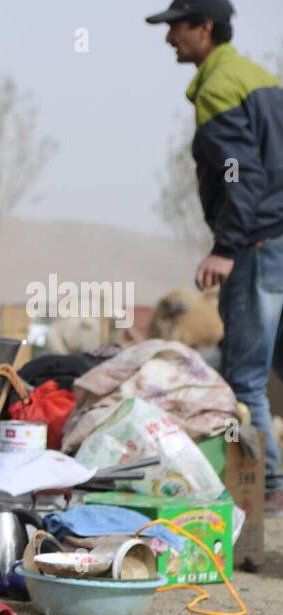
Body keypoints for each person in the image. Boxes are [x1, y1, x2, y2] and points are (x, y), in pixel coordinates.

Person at [146, 0, 283, 513]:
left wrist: (228, 244)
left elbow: (236, 169)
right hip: (277, 236)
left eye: (176, 28)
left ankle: (263, 488)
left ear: (204, 27)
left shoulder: (219, 85)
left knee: (244, 375)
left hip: (259, 243)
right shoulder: (260, 77)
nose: (169, 40)